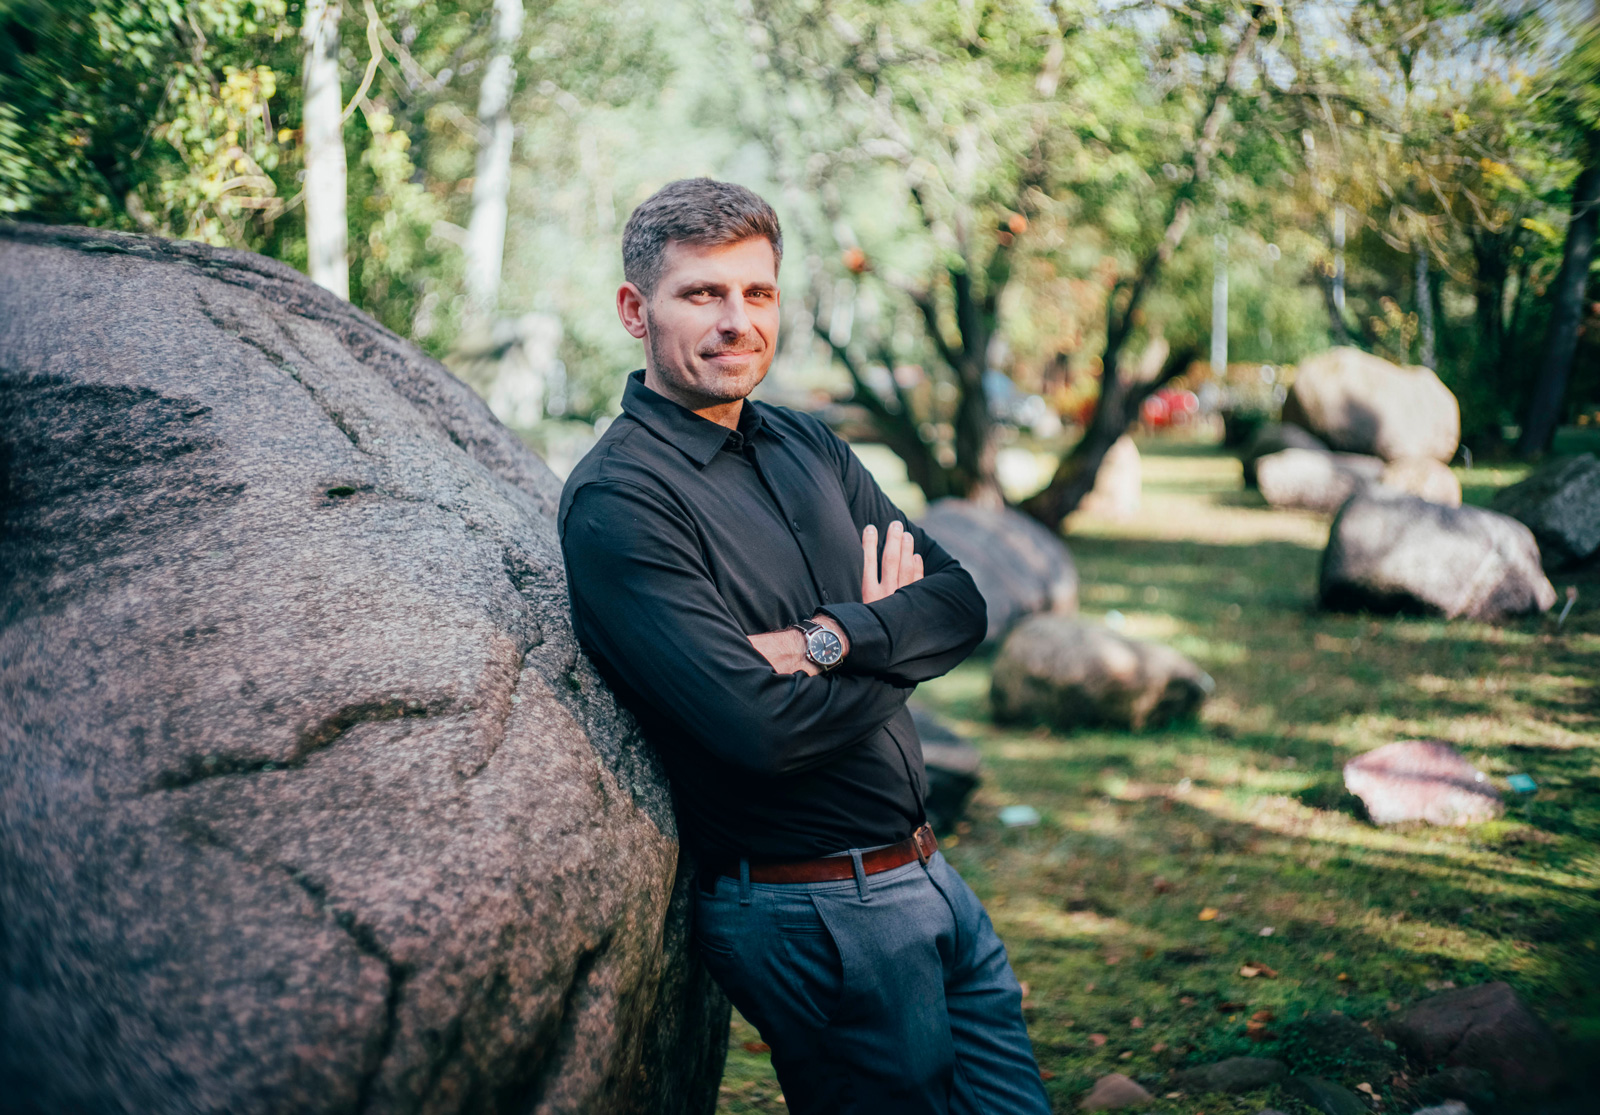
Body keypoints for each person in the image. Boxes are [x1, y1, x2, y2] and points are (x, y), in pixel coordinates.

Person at [557, 178, 1050, 1115]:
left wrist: (828, 637)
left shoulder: (807, 444)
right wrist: (891, 643)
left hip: (932, 876)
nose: (735, 321)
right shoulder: (621, 501)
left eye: (758, 293)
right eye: (701, 294)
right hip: (813, 911)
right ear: (636, 310)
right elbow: (760, 730)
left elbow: (960, 601)